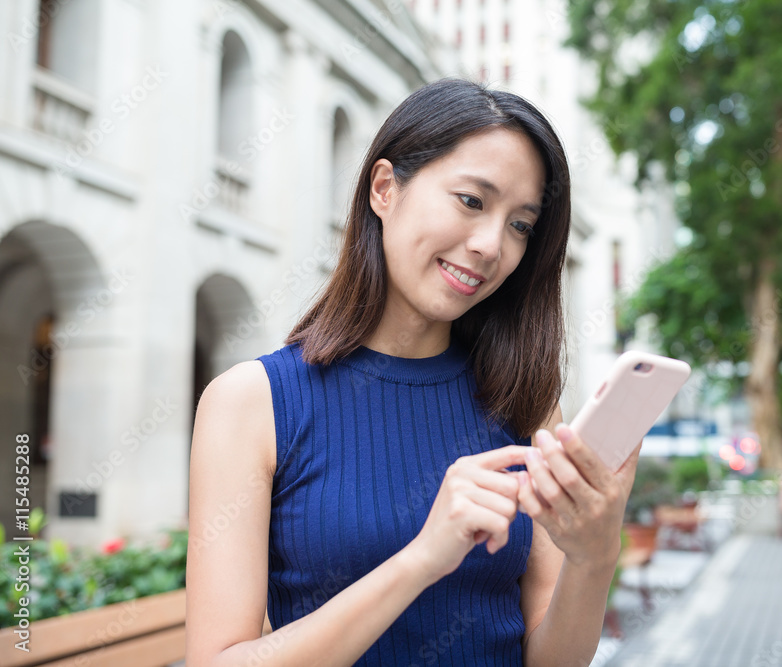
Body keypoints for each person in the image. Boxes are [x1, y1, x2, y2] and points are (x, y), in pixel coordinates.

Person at [186, 77, 642, 666]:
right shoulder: (252, 403)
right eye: (472, 201)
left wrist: (595, 554)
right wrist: (422, 559)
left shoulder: (525, 405)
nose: (490, 245)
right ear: (384, 188)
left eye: (520, 225)